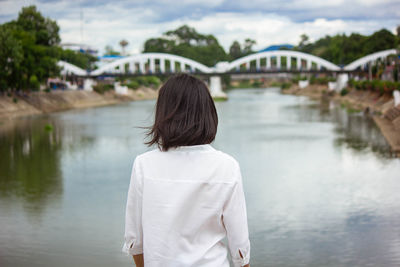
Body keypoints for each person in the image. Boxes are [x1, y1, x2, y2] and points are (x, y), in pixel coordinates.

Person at [122, 73, 250, 267]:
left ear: (163, 113)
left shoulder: (143, 164)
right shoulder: (226, 166)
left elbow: (135, 240)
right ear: (207, 113)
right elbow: (239, 245)